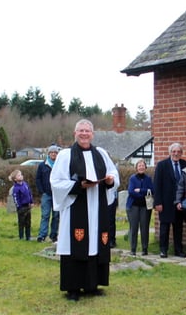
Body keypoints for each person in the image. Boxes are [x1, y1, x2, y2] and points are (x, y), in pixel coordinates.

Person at [50, 119, 119, 301]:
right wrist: (78, 185)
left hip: (97, 207)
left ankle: (92, 286)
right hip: (75, 207)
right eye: (81, 130)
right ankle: (73, 288)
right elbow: (56, 182)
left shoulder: (101, 154)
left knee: (95, 244)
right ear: (75, 133)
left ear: (92, 134)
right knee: (76, 244)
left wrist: (111, 181)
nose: (84, 134)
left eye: (87, 131)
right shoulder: (65, 155)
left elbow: (113, 174)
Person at [153, 142, 186, 258]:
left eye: (178, 152)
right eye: (174, 151)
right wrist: (157, 202)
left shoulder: (185, 164)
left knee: (178, 227)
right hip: (165, 202)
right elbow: (157, 185)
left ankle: (178, 250)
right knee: (165, 227)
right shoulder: (162, 165)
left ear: (181, 153)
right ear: (170, 153)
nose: (176, 154)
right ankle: (163, 250)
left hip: (179, 202)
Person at [126, 158, 154, 256]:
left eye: (143, 165)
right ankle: (133, 249)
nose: (141, 167)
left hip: (145, 207)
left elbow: (152, 190)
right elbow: (131, 191)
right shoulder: (132, 178)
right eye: (139, 166)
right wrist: (144, 193)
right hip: (133, 206)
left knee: (144, 227)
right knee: (134, 228)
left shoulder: (148, 179)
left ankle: (144, 249)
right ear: (136, 167)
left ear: (145, 167)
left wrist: (141, 190)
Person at [36, 145, 60, 243]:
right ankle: (42, 235)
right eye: (52, 152)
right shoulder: (42, 165)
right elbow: (38, 179)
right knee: (45, 215)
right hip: (46, 194)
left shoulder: (60, 165)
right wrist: (42, 191)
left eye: (55, 152)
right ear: (49, 154)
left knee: (56, 216)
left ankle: (53, 235)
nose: (53, 154)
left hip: (57, 195)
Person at [9, 169, 33, 240]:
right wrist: (19, 206)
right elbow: (16, 198)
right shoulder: (16, 188)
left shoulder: (25, 184)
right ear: (15, 179)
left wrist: (31, 202)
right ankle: (21, 236)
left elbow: (29, 193)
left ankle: (28, 236)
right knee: (21, 222)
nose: (21, 176)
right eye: (19, 175)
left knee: (28, 222)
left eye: (21, 174)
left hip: (27, 206)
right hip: (21, 207)